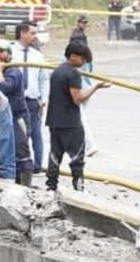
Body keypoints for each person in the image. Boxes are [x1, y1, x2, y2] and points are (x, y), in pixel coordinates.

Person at [45, 41, 109, 191]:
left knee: (54, 156)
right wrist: (95, 87)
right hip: (70, 123)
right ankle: (78, 189)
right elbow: (78, 98)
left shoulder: (57, 71)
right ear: (73, 56)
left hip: (54, 121)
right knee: (77, 159)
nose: (84, 63)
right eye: (83, 59)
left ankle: (51, 187)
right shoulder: (73, 73)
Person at [8, 23, 49, 172]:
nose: (34, 36)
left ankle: (37, 166)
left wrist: (43, 99)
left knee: (36, 134)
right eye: (32, 33)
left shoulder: (37, 56)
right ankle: (20, 164)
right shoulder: (10, 52)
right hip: (16, 100)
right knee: (19, 133)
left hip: (33, 100)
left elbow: (43, 78)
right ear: (22, 33)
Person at [0, 40, 33, 185]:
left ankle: (26, 186)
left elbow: (4, 88)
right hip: (1, 117)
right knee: (6, 152)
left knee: (21, 150)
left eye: (1, 51)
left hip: (17, 117)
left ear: (8, 53)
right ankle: (11, 183)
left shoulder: (14, 71)